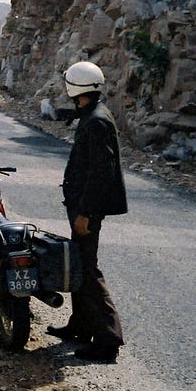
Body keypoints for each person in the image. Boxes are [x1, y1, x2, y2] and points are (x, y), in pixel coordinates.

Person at [46, 61, 127, 363]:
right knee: (79, 266)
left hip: (86, 210)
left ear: (74, 87)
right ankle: (80, 326)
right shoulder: (92, 115)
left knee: (89, 272)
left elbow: (100, 173)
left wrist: (86, 213)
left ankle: (108, 340)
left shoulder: (96, 121)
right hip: (82, 206)